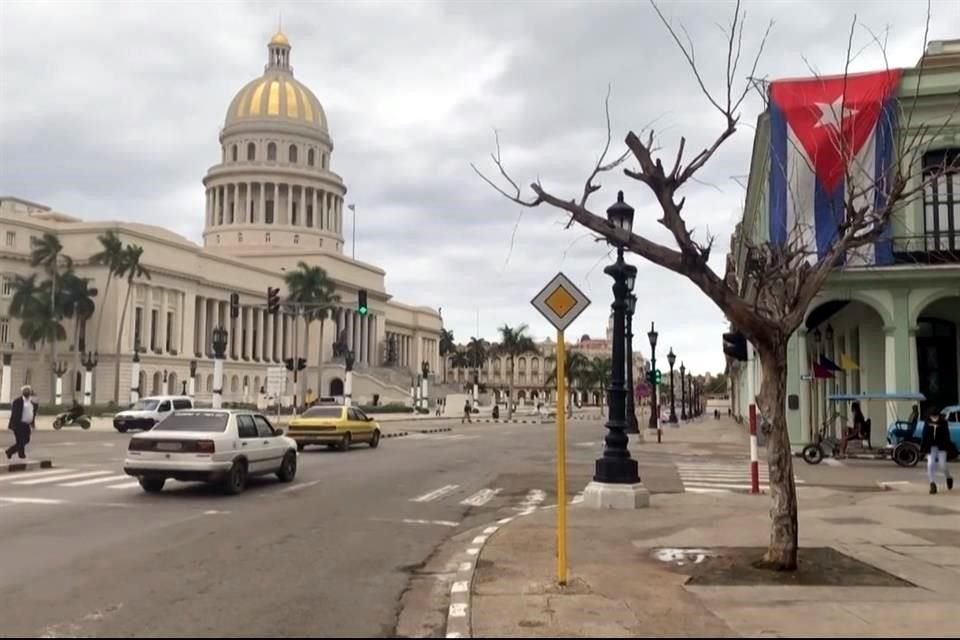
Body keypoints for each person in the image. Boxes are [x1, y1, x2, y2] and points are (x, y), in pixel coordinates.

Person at [921, 407, 954, 494]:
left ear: (939, 416)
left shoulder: (943, 423)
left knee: (942, 465)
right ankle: (932, 484)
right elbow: (924, 435)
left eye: (936, 417)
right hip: (931, 446)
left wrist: (948, 447)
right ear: (930, 416)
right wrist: (923, 448)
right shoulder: (927, 423)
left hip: (941, 446)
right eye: (933, 417)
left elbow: (947, 435)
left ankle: (948, 477)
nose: (934, 419)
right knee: (930, 464)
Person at [6, 385, 38, 461]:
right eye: (25, 391)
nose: (27, 392)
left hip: (27, 424)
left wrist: (33, 424)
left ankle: (10, 451)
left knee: (26, 439)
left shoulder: (32, 403)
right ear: (22, 392)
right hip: (18, 424)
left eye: (28, 391)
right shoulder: (17, 401)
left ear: (30, 392)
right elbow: (14, 414)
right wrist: (14, 425)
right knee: (20, 440)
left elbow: (33, 414)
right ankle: (20, 454)